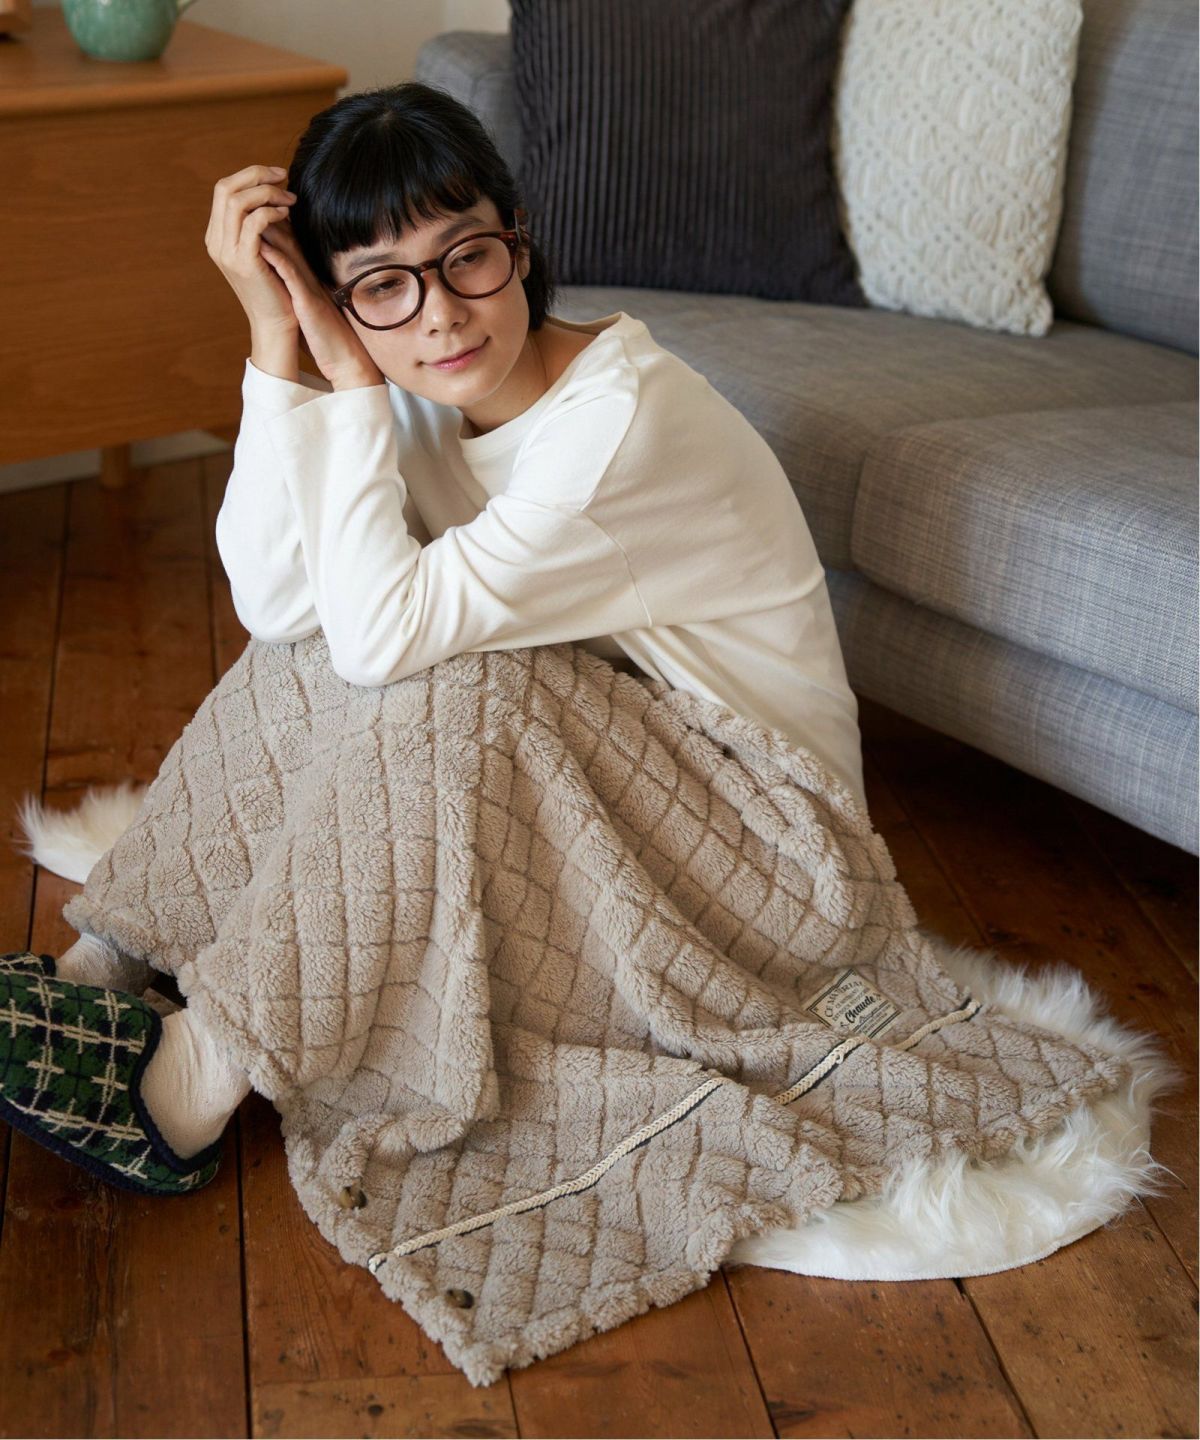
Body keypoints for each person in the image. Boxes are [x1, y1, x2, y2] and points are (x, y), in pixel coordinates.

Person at [8, 80, 867, 1191]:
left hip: (775, 861)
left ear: (519, 242)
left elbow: (381, 645)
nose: (441, 316)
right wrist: (276, 345)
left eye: (467, 258)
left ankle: (187, 1089)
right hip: (628, 789)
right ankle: (104, 971)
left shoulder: (615, 423)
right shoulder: (415, 385)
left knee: (450, 682)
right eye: (383, 285)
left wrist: (353, 380)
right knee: (342, 640)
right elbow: (280, 607)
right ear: (336, 299)